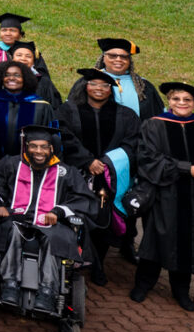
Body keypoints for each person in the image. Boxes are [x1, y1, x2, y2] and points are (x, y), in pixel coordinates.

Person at [0, 126, 97, 314]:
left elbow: (84, 199)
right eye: (34, 146)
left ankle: (47, 290)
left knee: (54, 239)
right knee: (12, 232)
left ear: (51, 149)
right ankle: (10, 284)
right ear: (26, 146)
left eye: (44, 147)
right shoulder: (11, 165)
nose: (38, 151)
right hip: (17, 219)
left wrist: (59, 212)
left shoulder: (66, 172)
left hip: (52, 225)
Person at [57, 68, 140, 286]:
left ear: (110, 89)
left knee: (104, 219)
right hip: (77, 174)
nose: (99, 89)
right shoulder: (69, 110)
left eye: (104, 86)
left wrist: (107, 163)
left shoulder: (126, 115)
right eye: (94, 84)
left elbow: (131, 143)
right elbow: (63, 137)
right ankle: (72, 259)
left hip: (111, 176)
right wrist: (87, 160)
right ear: (86, 87)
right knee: (75, 216)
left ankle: (98, 263)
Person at [132, 82, 194, 311]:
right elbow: (148, 159)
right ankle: (143, 284)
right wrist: (188, 169)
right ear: (169, 101)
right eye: (177, 99)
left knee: (189, 240)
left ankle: (180, 290)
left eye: (187, 100)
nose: (182, 104)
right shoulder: (154, 126)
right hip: (165, 193)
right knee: (156, 238)